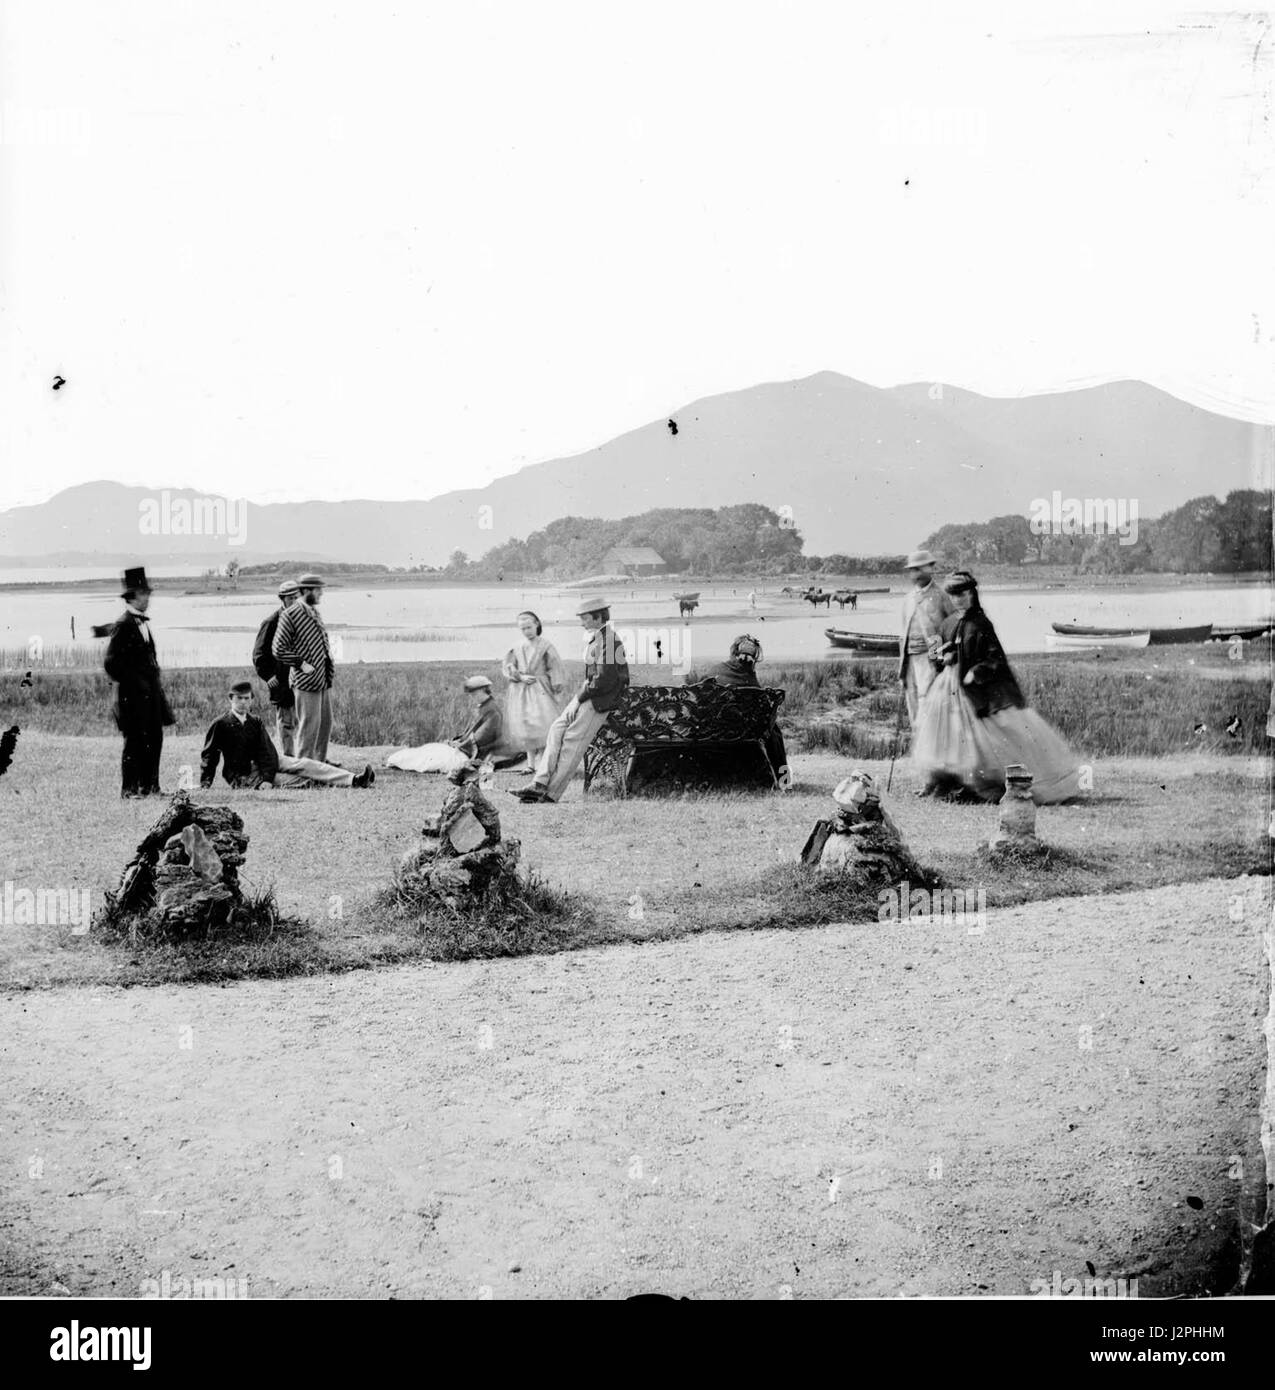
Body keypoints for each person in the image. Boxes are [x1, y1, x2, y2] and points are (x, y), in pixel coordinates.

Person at [911, 572, 1080, 803]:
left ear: (972, 594)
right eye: (953, 595)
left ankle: (975, 785)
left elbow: (995, 659)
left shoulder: (981, 623)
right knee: (944, 736)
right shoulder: (947, 623)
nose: (957, 600)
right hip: (947, 687)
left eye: (962, 594)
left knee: (980, 740)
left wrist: (976, 671)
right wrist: (942, 656)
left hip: (975, 690)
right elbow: (934, 652)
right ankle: (942, 783)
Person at [512, 596, 629, 804]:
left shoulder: (609, 639)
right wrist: (580, 696)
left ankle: (550, 794)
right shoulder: (601, 638)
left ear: (598, 617)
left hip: (601, 701)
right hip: (591, 695)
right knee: (557, 728)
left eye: (585, 618)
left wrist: (581, 696)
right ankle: (539, 783)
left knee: (572, 742)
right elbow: (598, 678)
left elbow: (605, 679)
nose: (581, 622)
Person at [200, 681, 374, 789]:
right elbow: (210, 755)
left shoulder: (255, 721)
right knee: (298, 780)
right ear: (231, 699)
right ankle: (339, 782)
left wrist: (267, 777)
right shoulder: (220, 724)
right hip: (243, 775)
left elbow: (266, 751)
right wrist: (205, 783)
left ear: (251, 699)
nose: (243, 702)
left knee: (305, 764)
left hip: (266, 763)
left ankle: (355, 780)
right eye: (239, 698)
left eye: (247, 698)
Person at [104, 566, 174, 797]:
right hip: (132, 698)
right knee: (134, 742)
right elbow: (111, 664)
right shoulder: (123, 625)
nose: (148, 598)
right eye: (144, 594)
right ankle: (129, 789)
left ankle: (151, 786)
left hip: (151, 695)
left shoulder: (141, 623)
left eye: (148, 594)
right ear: (132, 597)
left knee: (155, 738)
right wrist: (136, 682)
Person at [692, 634, 789, 785]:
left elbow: (697, 701)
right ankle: (784, 780)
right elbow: (762, 710)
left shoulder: (714, 671)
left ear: (733, 652)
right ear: (753, 659)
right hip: (741, 733)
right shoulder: (750, 680)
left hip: (708, 731)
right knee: (774, 730)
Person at [386, 675, 520, 773]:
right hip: (466, 748)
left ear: (482, 691)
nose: (472, 697)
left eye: (473, 693)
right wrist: (458, 740)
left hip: (478, 753)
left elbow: (482, 736)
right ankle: (397, 760)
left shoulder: (492, 710)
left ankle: (398, 761)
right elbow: (473, 732)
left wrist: (460, 744)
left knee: (432, 757)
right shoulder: (484, 707)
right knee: (429, 750)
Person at [271, 573, 334, 761]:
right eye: (318, 589)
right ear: (306, 591)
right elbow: (278, 648)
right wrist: (301, 664)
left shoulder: (313, 611)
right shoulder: (290, 614)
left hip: (322, 678)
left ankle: (319, 765)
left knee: (325, 724)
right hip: (305, 681)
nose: (321, 593)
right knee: (309, 726)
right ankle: (305, 769)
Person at [501, 611, 567, 770]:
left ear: (537, 624)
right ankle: (530, 764)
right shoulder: (517, 647)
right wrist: (519, 677)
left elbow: (555, 666)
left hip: (541, 690)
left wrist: (556, 686)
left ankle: (543, 762)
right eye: (523, 629)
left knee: (543, 723)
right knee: (526, 725)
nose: (527, 631)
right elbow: (509, 666)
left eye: (529, 627)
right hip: (522, 690)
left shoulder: (545, 646)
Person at [898, 548, 955, 726]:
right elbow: (903, 633)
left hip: (931, 657)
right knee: (912, 700)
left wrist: (945, 656)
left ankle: (930, 747)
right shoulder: (908, 598)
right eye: (912, 570)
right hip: (909, 658)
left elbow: (953, 628)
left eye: (920, 568)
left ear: (930, 568)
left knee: (928, 700)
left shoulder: (942, 596)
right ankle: (918, 745)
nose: (916, 573)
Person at [252, 580, 301, 756]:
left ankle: (307, 759)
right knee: (286, 721)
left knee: (303, 720)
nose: (295, 601)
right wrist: (268, 675)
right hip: (281, 681)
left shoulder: (302, 620)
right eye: (290, 598)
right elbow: (258, 654)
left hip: (301, 680)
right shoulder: (271, 622)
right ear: (282, 599)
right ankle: (290, 759)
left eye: (297, 597)